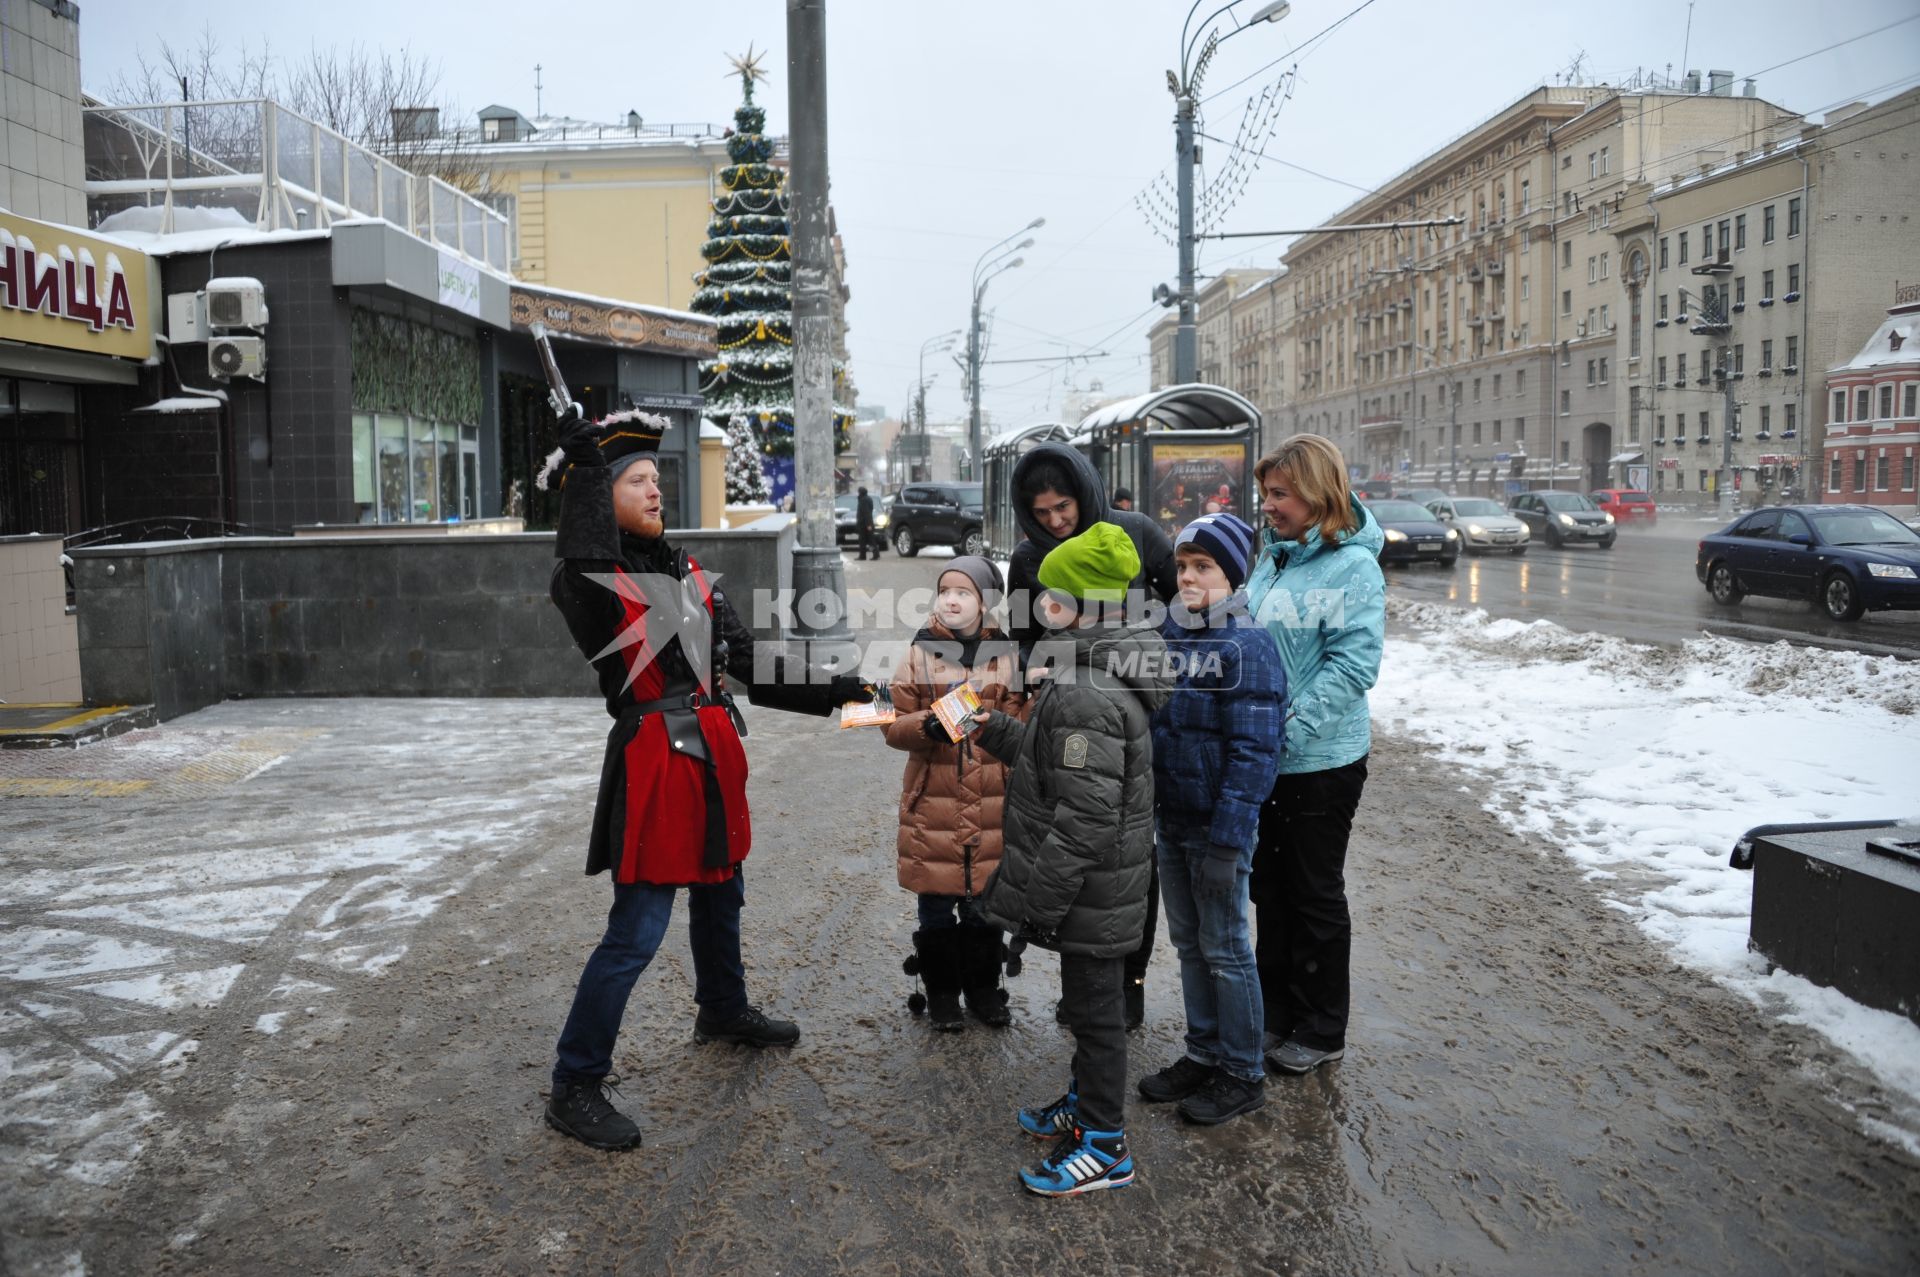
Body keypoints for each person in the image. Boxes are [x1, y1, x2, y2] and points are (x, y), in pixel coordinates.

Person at [539, 406, 873, 1152]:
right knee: (637, 930)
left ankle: (722, 1007)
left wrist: (844, 688)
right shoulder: (590, 579)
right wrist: (587, 470)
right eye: (635, 480)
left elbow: (752, 664)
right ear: (598, 493)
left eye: (657, 478)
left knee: (723, 894)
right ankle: (575, 1080)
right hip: (656, 760)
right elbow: (582, 552)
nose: (655, 490)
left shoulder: (685, 570)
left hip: (713, 754)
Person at [972, 523, 1172, 1197]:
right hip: (1100, 886)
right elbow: (1052, 756)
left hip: (1093, 888)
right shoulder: (1091, 666)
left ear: (1081, 604)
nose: (1039, 603)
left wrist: (1039, 903)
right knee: (1091, 1009)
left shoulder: (1088, 684)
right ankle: (1087, 1103)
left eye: (1050, 595)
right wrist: (985, 725)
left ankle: (1104, 1143)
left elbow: (1084, 819)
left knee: (1096, 1013)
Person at [1004, 442, 1176, 1028]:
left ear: (1085, 492)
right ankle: (1090, 982)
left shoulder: (1135, 531)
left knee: (1132, 856)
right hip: (1073, 709)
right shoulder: (1029, 558)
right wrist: (1034, 668)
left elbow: (1185, 607)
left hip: (1140, 702)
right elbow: (1023, 632)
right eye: (1043, 512)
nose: (1056, 521)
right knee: (1084, 853)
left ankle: (1128, 984)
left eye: (1064, 507)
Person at [1243, 435, 1385, 1077]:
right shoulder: (1274, 558)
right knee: (1268, 891)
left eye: (1279, 494)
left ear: (1316, 494)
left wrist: (1286, 731)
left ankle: (1323, 1026)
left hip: (1320, 761)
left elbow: (1353, 665)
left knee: (1313, 892)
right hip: (1265, 755)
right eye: (1265, 493)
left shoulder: (1352, 567)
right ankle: (1278, 1014)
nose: (1268, 505)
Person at [1137, 513, 1285, 1126]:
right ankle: (1204, 1051)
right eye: (1183, 566)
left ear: (1235, 575)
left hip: (1216, 829)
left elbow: (1256, 752)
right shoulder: (1171, 635)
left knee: (1226, 947)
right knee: (1189, 944)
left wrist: (1228, 840)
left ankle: (1242, 1070)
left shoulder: (1246, 645)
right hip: (1172, 819)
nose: (1191, 578)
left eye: (1206, 567)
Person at [882, 556, 1024, 1031]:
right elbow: (891, 725)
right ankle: (942, 993)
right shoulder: (918, 653)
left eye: (963, 592)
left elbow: (1020, 722)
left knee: (985, 905)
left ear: (985, 602)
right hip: (933, 804)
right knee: (936, 905)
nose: (952, 599)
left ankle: (984, 990)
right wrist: (927, 726)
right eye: (945, 591)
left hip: (991, 803)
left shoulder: (1007, 655)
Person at [854, 484, 880, 561]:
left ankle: (866, 555)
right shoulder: (868, 499)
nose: (858, 493)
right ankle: (872, 554)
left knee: (866, 540)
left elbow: (866, 513)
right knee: (869, 540)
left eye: (858, 492)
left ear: (860, 492)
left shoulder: (863, 500)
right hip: (867, 523)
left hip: (864, 524)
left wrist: (868, 525)